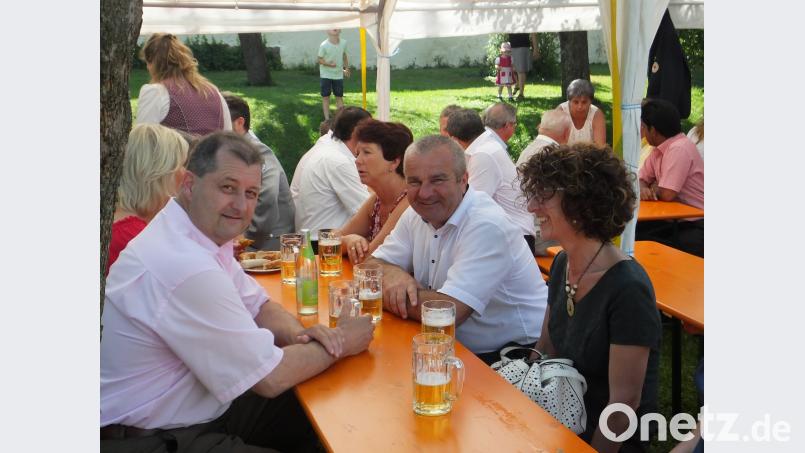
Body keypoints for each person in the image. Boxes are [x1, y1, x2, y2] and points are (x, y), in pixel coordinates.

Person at [101, 131, 375, 453]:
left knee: (323, 407)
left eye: (251, 192)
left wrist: (306, 336)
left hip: (197, 408)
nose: (240, 205)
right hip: (156, 437)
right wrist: (340, 341)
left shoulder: (193, 235)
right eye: (227, 188)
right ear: (188, 184)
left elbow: (258, 306)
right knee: (313, 405)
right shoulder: (185, 266)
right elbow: (270, 377)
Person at [519, 142, 661, 451]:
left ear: (581, 204)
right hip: (561, 418)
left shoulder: (628, 289)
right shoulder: (562, 263)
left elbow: (624, 405)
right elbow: (545, 348)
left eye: (543, 196)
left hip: (603, 438)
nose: (531, 207)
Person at [365, 135, 549, 364]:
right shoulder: (415, 214)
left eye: (437, 180)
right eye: (414, 182)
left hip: (513, 356)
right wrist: (394, 275)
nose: (424, 193)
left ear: (464, 180)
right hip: (450, 347)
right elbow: (368, 267)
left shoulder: (486, 224)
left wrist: (385, 291)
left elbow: (447, 314)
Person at [446, 107, 536, 255]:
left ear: (454, 139)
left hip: (513, 238)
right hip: (506, 235)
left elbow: (471, 205)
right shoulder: (485, 147)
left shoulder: (484, 154)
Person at [107, 123, 188, 274]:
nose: (185, 173)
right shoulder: (134, 237)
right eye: (182, 165)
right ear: (160, 175)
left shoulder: (117, 221)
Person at [223, 93, 295, 250]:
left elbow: (267, 196)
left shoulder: (257, 151)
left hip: (268, 242)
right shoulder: (236, 150)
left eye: (221, 122)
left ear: (239, 123)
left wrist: (247, 239)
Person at [337, 120, 414, 264]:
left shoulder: (409, 201)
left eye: (366, 152)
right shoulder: (376, 201)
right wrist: (348, 241)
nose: (357, 161)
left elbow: (369, 260)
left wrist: (352, 243)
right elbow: (329, 243)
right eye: (358, 153)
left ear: (394, 162)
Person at [291, 106, 371, 244]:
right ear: (357, 132)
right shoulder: (337, 160)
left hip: (313, 240)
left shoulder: (327, 149)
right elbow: (367, 210)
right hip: (324, 245)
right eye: (371, 132)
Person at [637, 98, 704, 257]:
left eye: (644, 127)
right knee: (631, 231)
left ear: (653, 130)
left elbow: (667, 194)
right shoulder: (659, 149)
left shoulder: (679, 149)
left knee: (643, 241)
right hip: (676, 218)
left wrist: (651, 188)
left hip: (697, 222)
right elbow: (640, 179)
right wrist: (644, 188)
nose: (643, 132)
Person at [135, 33, 232, 136]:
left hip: (178, 152)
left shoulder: (156, 91)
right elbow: (229, 136)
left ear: (152, 62)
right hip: (215, 151)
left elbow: (142, 141)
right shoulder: (213, 91)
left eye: (147, 63)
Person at [516, 109, 571, 256]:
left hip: (527, 231)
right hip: (542, 238)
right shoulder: (553, 156)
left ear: (541, 127)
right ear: (567, 133)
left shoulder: (529, 149)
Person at [556, 79, 607, 146]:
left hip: (590, 155)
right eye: (576, 102)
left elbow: (600, 147)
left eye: (584, 102)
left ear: (591, 101)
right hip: (564, 155)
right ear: (569, 101)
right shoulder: (560, 112)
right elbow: (554, 143)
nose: (580, 106)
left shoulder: (597, 115)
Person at [318, 29, 351, 120]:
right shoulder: (324, 45)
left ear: (340, 30)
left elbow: (344, 56)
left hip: (338, 75)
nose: (334, 28)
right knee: (326, 97)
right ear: (327, 31)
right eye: (331, 27)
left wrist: (346, 68)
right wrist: (329, 64)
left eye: (336, 26)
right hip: (326, 75)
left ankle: (340, 119)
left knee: (339, 96)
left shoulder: (344, 43)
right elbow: (319, 60)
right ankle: (327, 119)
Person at [507, 33, 539, 100]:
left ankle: (521, 94)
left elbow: (533, 34)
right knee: (513, 69)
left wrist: (536, 49)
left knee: (521, 70)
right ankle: (517, 85)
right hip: (512, 46)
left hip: (522, 47)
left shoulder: (526, 22)